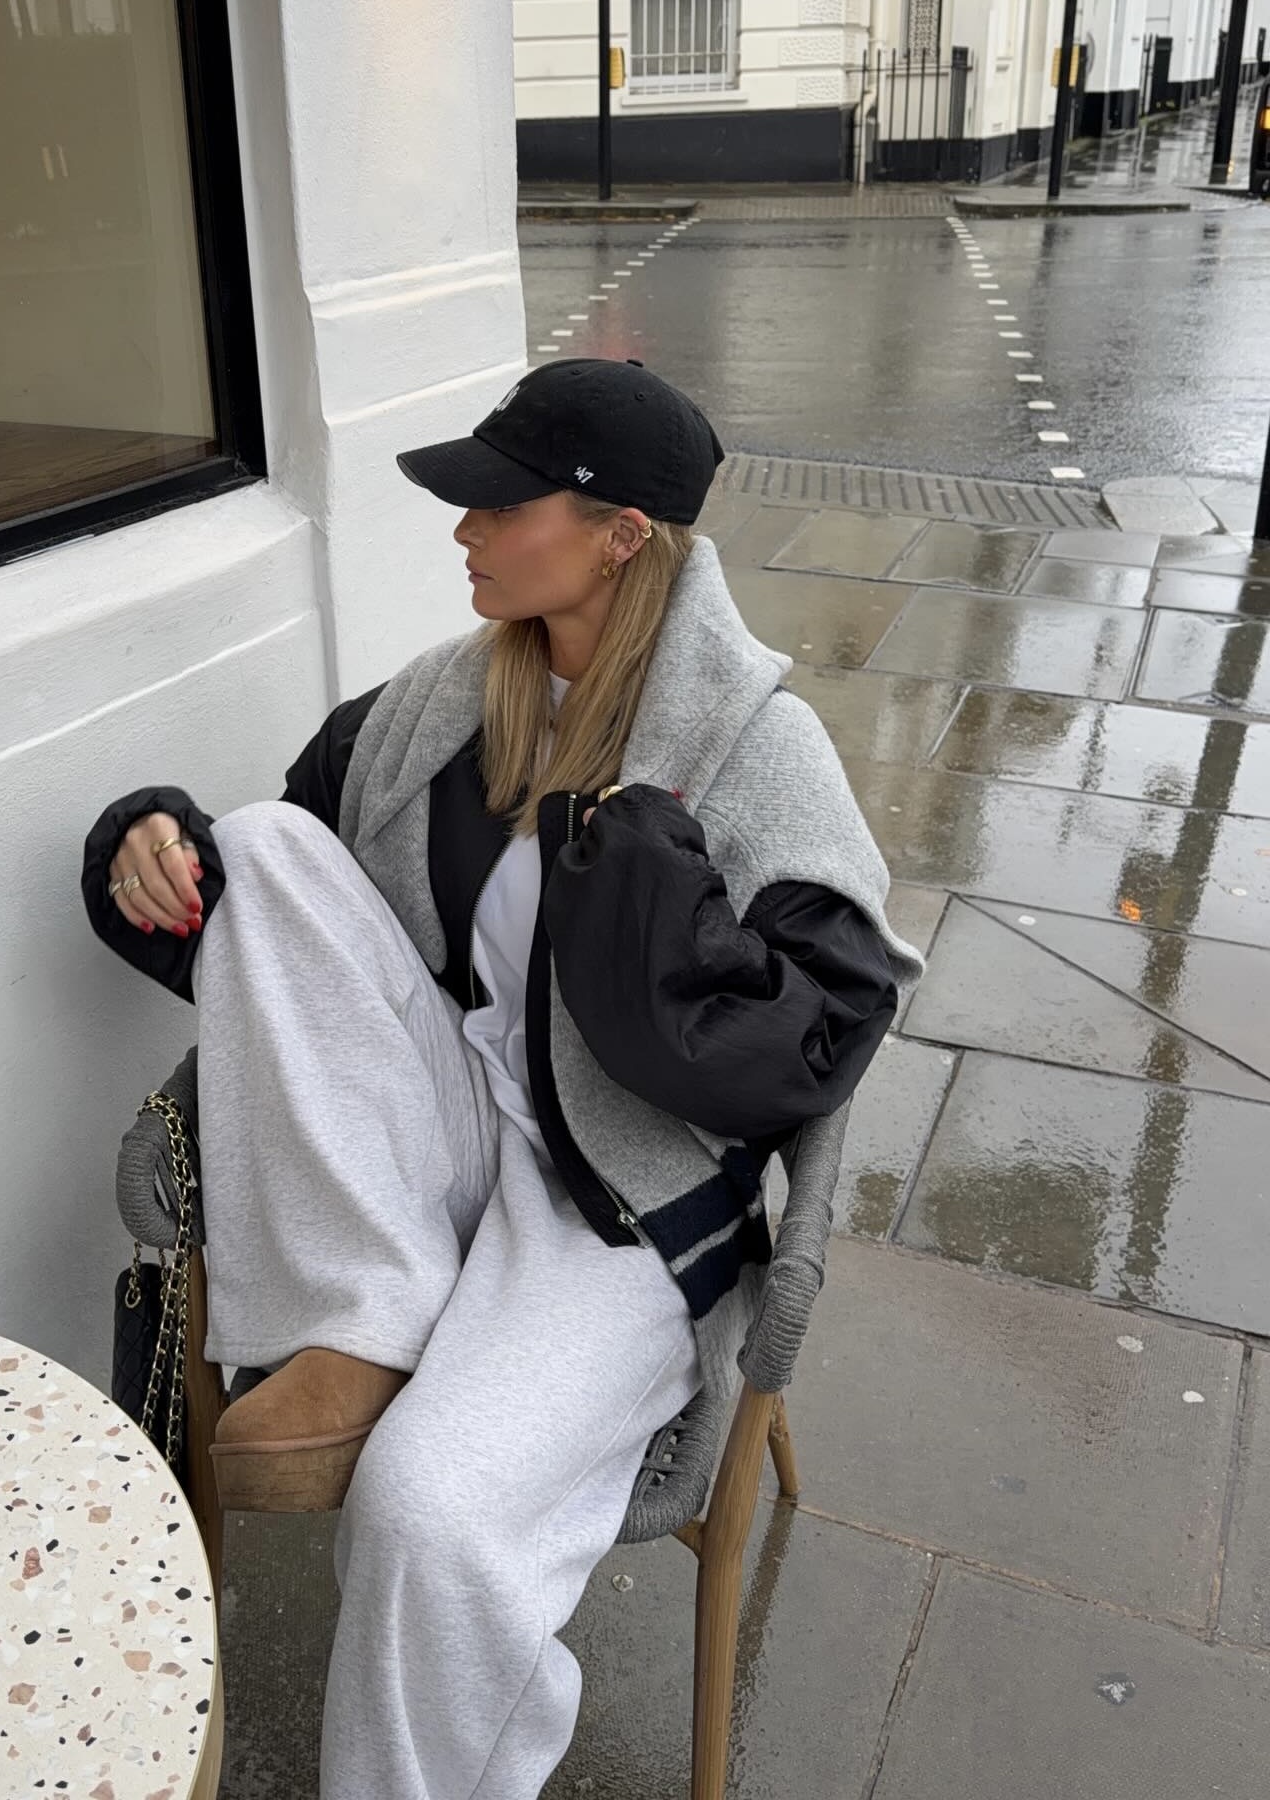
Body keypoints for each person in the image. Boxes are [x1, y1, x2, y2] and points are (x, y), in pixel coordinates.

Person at [81, 358, 921, 1800]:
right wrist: (147, 846)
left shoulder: (756, 748)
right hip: (450, 1126)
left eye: (501, 506)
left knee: (427, 1515)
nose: (463, 531)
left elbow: (821, 1036)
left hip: (624, 1200)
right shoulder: (447, 701)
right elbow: (277, 926)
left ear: (621, 537)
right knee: (266, 847)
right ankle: (375, 1312)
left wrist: (649, 895)